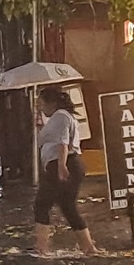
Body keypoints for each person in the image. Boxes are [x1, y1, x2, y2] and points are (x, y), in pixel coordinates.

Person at [34, 87, 98, 255]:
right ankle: (88, 247)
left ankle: (41, 248)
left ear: (52, 103)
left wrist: (62, 167)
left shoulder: (60, 116)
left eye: (41, 103)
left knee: (41, 204)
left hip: (62, 163)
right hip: (67, 163)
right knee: (68, 206)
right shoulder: (60, 117)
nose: (40, 107)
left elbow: (62, 143)